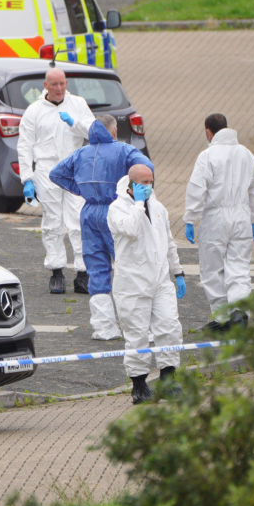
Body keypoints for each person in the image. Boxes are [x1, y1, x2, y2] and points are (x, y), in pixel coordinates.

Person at [50, 114, 154, 340]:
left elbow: (55, 174)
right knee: (130, 265)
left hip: (89, 212)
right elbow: (147, 167)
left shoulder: (81, 153)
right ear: (113, 131)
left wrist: (80, 189)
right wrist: (130, 189)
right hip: (116, 210)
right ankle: (139, 326)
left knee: (96, 269)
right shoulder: (123, 150)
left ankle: (104, 327)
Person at [108, 164, 186, 405]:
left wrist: (178, 271)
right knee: (137, 335)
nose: (148, 187)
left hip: (160, 280)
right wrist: (139, 205)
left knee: (170, 327)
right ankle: (139, 386)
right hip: (132, 283)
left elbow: (169, 242)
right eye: (143, 183)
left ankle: (168, 380)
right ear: (130, 184)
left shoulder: (159, 208)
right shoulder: (116, 209)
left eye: (151, 182)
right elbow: (130, 229)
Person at [17, 67, 95, 294]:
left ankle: (83, 273)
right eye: (54, 85)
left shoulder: (78, 105)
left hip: (74, 169)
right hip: (47, 171)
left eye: (62, 84)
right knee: (53, 222)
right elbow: (25, 145)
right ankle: (57, 271)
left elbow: (92, 131)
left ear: (66, 83)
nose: (59, 89)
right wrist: (27, 179)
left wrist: (74, 123)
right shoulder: (34, 111)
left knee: (79, 221)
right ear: (45, 86)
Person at [184, 113, 254, 332]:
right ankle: (240, 314)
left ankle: (222, 319)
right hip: (241, 217)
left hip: (216, 218)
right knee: (238, 267)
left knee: (213, 269)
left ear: (208, 132)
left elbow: (197, 188)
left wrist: (190, 218)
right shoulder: (247, 154)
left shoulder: (207, 156)